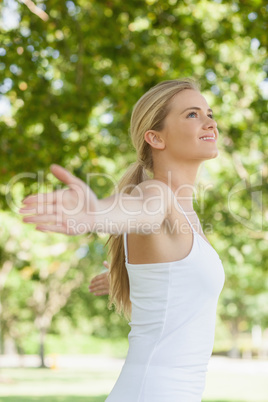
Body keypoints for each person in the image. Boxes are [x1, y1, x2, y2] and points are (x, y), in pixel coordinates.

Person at [19, 79, 225, 402]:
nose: (210, 122)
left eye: (209, 113)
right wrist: (96, 214)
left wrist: (134, 280)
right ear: (155, 137)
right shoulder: (157, 193)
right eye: (192, 115)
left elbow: (174, 304)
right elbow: (139, 210)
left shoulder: (189, 217)